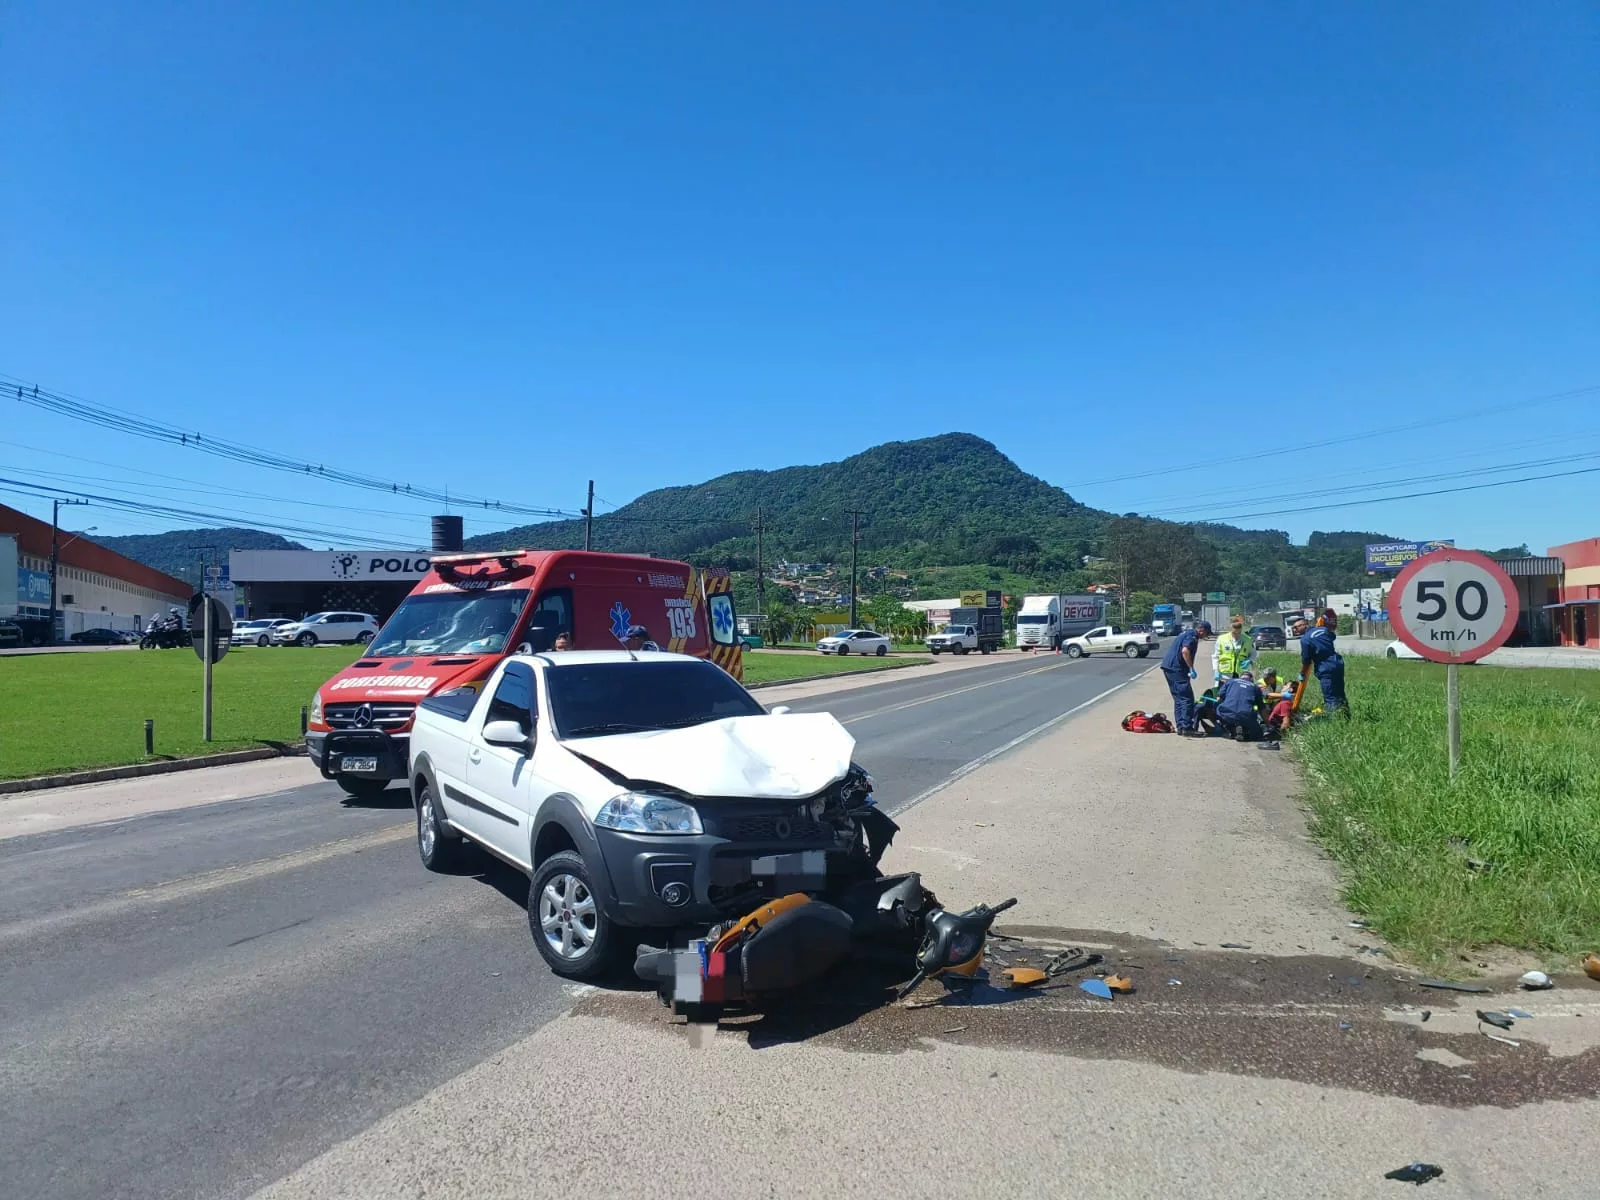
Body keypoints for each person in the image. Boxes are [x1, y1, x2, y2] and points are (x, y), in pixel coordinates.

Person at [1161, 619, 1212, 737]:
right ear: (1202, 630)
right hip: (1177, 669)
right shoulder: (1192, 636)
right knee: (1187, 698)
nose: (1206, 636)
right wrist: (1191, 668)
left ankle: (1181, 727)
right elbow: (1185, 651)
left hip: (1169, 667)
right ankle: (1187, 728)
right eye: (1207, 633)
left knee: (1178, 698)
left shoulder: (1185, 633)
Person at [1294, 610, 1348, 717]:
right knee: (1340, 693)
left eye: (1296, 627)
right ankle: (1346, 716)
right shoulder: (1323, 630)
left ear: (1305, 625)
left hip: (1325, 667)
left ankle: (1335, 720)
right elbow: (1333, 637)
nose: (1294, 630)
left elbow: (1306, 660)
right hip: (1337, 663)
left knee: (1330, 696)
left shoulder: (1305, 639)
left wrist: (1302, 674)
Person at [1216, 671, 1266, 741]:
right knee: (1258, 735)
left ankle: (1229, 728)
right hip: (1246, 716)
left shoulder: (1230, 681)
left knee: (1219, 708)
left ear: (1240, 677)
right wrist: (1268, 723)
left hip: (1227, 713)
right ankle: (1243, 729)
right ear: (1251, 680)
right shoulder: (1255, 687)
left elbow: (1218, 699)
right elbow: (1262, 708)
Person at [1212, 615, 1254, 685]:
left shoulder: (1248, 640)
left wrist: (1250, 660)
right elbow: (1216, 656)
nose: (1236, 635)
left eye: (1239, 633)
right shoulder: (1221, 639)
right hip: (1225, 673)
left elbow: (1253, 653)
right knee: (1223, 692)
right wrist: (1216, 670)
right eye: (1234, 633)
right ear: (1230, 629)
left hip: (1240, 673)